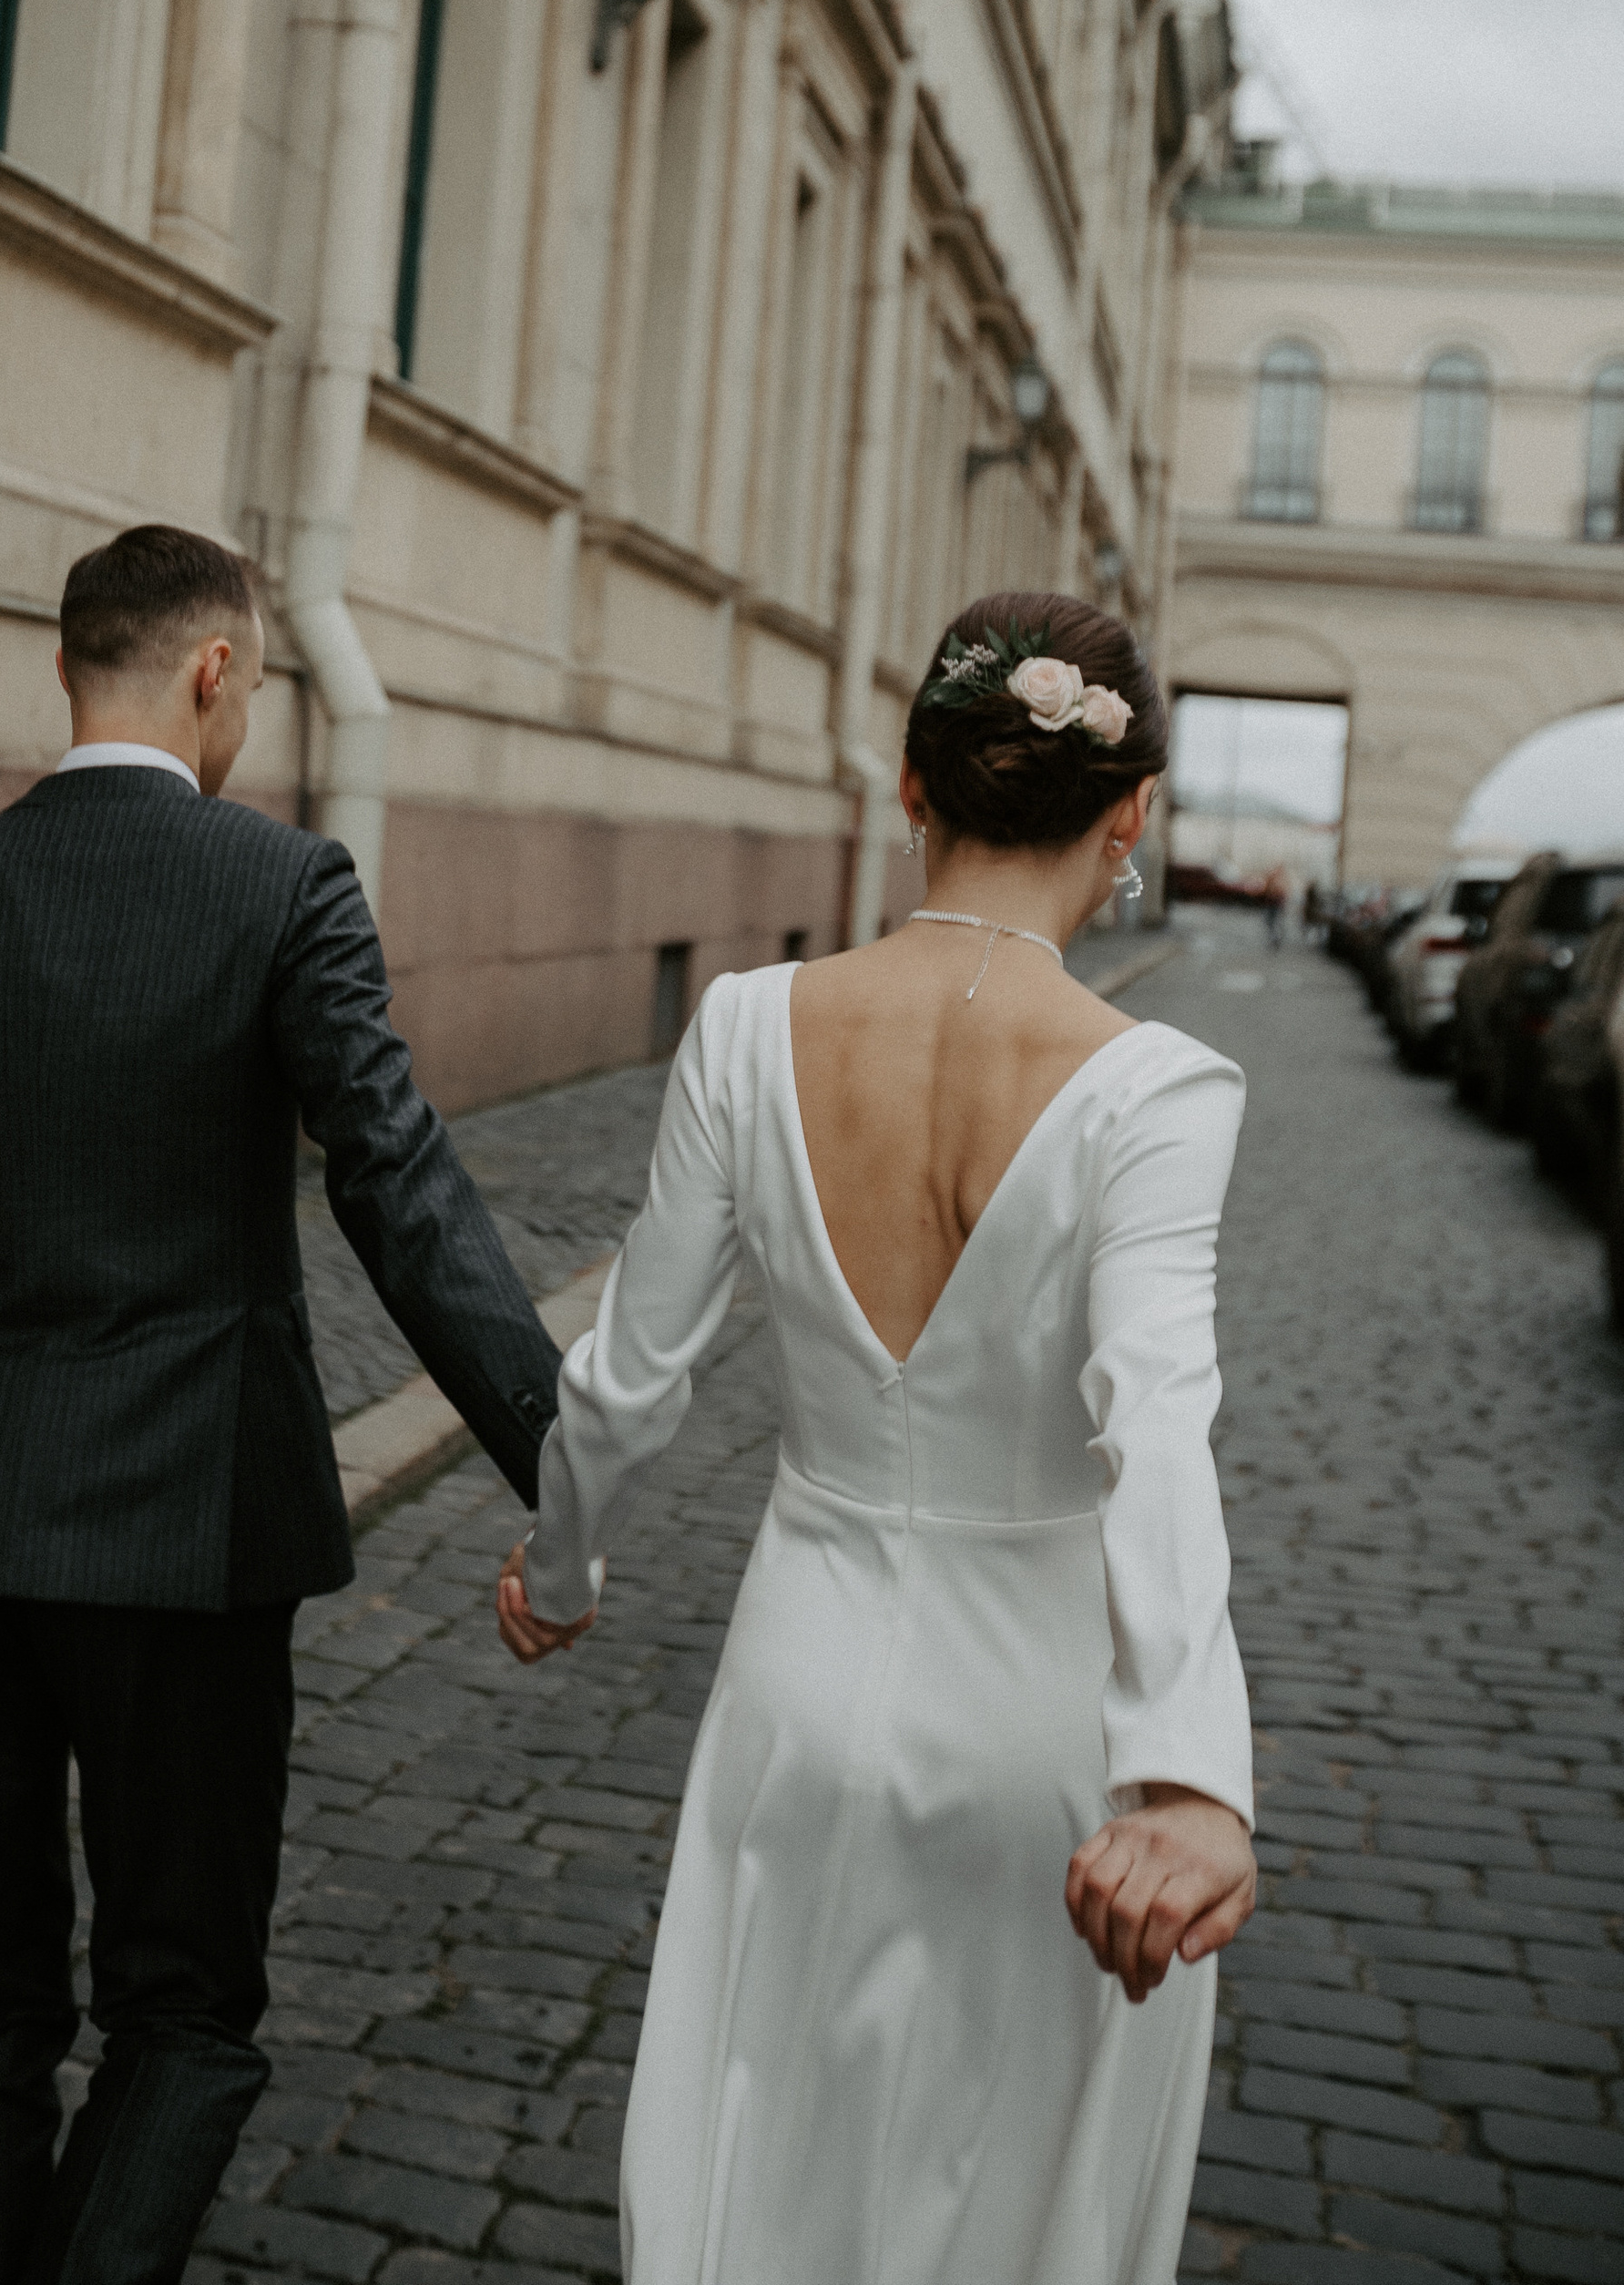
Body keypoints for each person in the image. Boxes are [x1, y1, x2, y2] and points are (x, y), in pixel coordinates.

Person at [0, 523, 565, 2285]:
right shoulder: (284, 889)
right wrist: (559, 1456)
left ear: (64, 665)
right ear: (216, 671)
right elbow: (394, 1181)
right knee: (184, 2014)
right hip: (188, 1533)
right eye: (257, 684)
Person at [499, 590, 1255, 2285]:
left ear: (911, 782)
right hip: (1049, 1735)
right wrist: (1189, 1774)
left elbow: (631, 1371)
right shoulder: (1158, 1091)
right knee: (1016, 2206)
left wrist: (563, 1563)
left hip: (799, 1687)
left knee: (754, 2154)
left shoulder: (744, 1026)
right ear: (1131, 815)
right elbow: (1158, 1425)